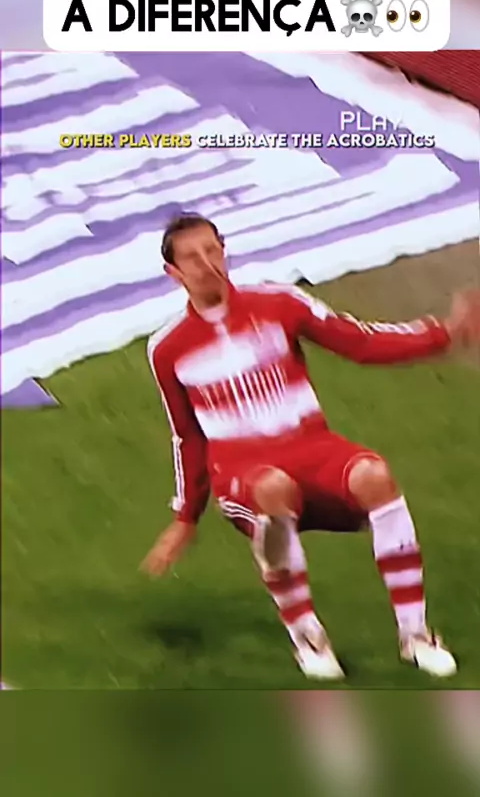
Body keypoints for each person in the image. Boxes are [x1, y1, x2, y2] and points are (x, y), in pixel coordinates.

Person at [142, 212, 480, 681]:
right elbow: (186, 436)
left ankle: (416, 635)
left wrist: (445, 333)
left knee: (375, 476)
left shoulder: (279, 303)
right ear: (173, 273)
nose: (207, 263)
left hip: (312, 450)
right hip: (242, 473)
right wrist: (185, 517)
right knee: (272, 488)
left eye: (212, 249)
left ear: (224, 249)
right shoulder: (168, 349)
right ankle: (309, 639)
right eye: (192, 258)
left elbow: (359, 341)